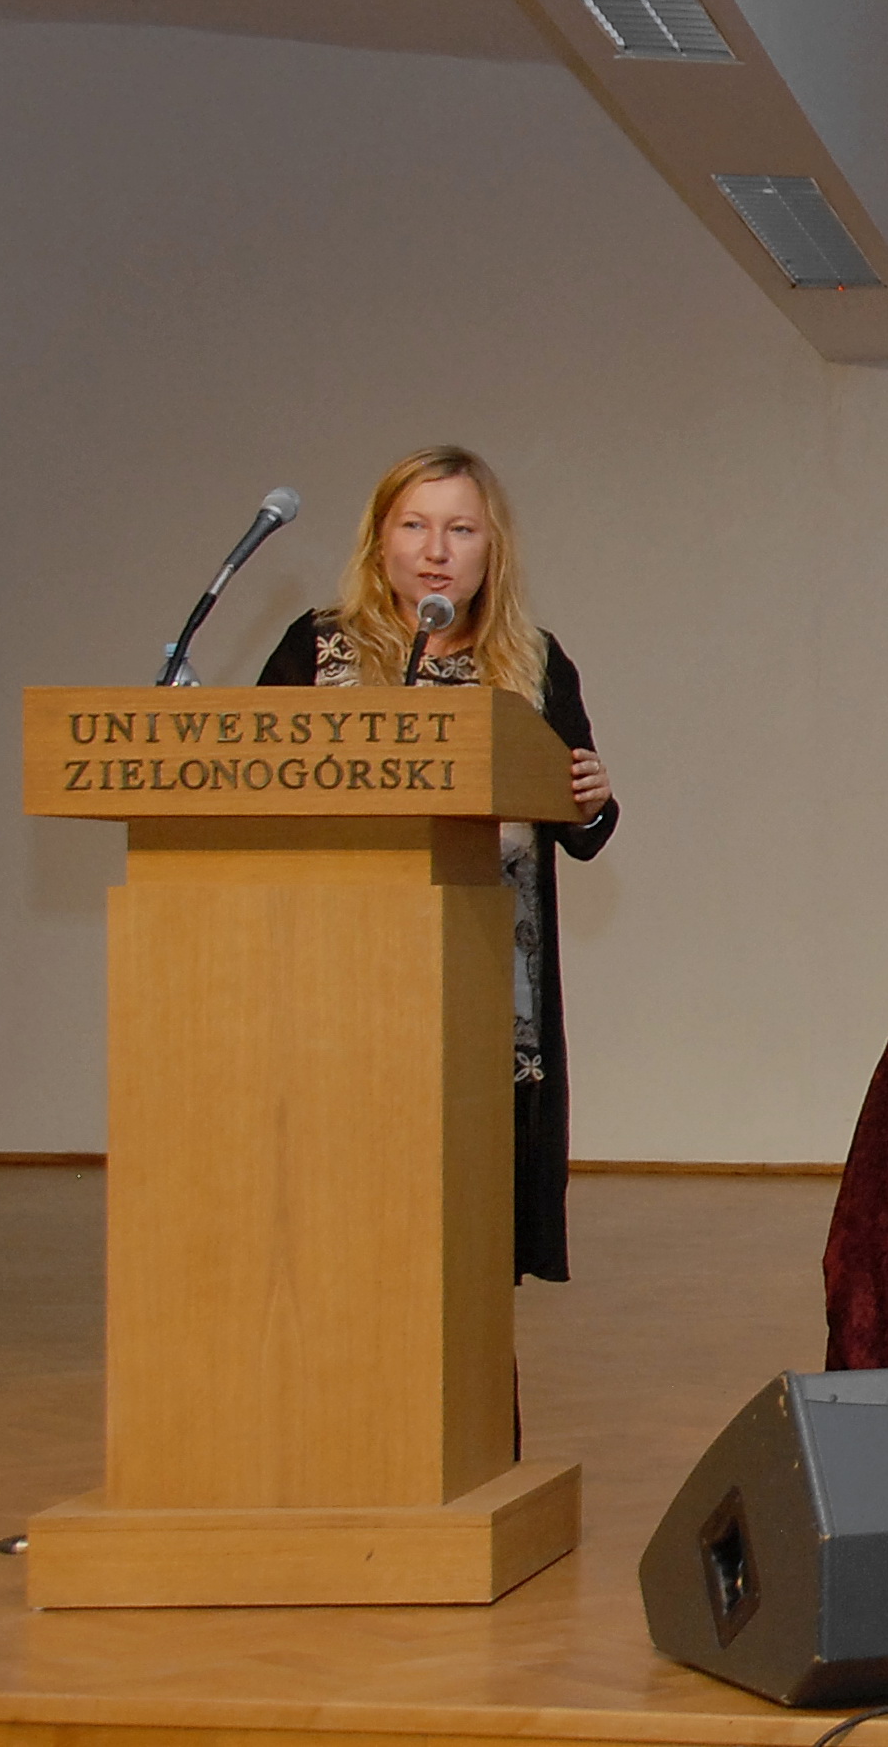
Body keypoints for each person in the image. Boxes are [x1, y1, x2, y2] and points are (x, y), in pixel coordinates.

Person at [258, 445, 616, 1285]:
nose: (434, 551)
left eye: (461, 530)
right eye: (414, 526)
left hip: (488, 992)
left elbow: (581, 826)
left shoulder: (532, 662)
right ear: (378, 541)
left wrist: (594, 799)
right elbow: (259, 786)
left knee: (470, 1247)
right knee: (348, 1234)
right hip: (341, 981)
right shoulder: (318, 651)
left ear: (492, 549)